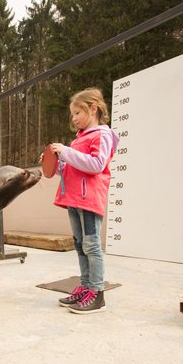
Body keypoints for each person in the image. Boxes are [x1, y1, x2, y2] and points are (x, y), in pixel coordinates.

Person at [49, 87, 119, 314]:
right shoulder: (79, 139)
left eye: (77, 112)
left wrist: (67, 152)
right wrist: (55, 162)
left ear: (93, 108)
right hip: (74, 199)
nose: (74, 118)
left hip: (89, 199)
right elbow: (71, 169)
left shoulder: (103, 135)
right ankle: (86, 286)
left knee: (91, 245)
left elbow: (97, 164)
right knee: (80, 245)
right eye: (72, 114)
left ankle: (97, 293)